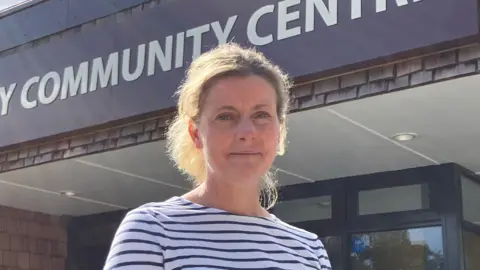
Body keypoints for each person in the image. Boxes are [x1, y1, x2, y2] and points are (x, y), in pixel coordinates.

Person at [102, 42, 331, 270]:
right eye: (225, 116)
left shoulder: (309, 249)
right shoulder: (152, 229)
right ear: (195, 134)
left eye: (261, 115)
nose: (246, 133)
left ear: (279, 130)